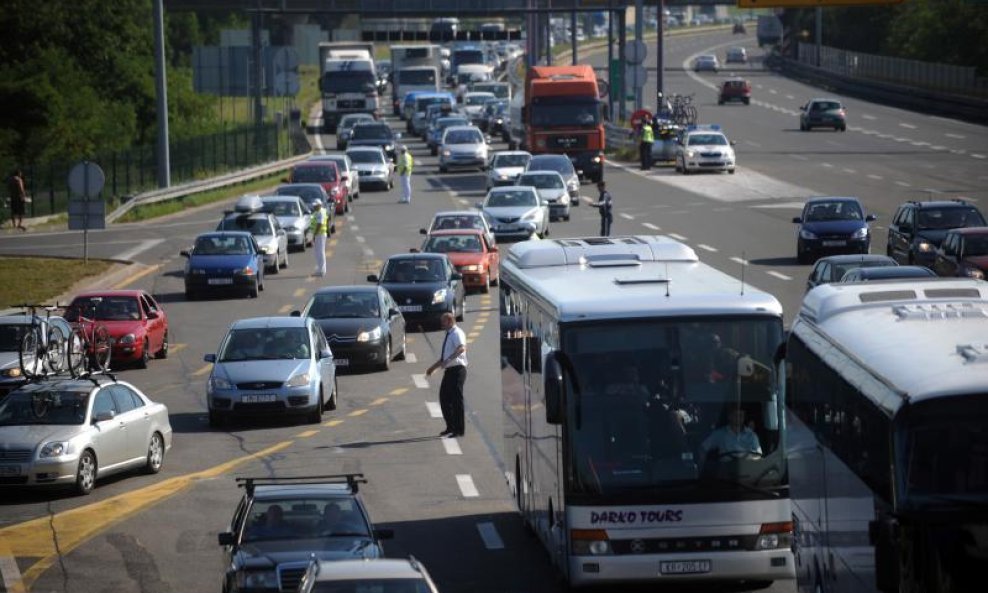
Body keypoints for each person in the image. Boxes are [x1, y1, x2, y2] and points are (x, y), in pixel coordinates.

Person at [426, 312, 467, 438]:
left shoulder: (456, 333)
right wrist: (433, 368)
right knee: (444, 398)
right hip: (450, 371)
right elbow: (444, 358)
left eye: (443, 321)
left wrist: (449, 360)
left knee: (456, 401)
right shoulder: (449, 334)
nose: (441, 324)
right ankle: (450, 426)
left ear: (449, 321)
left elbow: (461, 348)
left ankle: (459, 429)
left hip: (458, 370)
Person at [309, 200, 329, 277]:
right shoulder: (319, 211)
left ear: (319, 205)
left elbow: (319, 224)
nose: (314, 206)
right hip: (319, 234)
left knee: (320, 252)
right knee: (318, 252)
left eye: (316, 205)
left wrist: (314, 234)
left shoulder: (320, 212)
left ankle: (322, 270)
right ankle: (319, 269)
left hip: (320, 234)